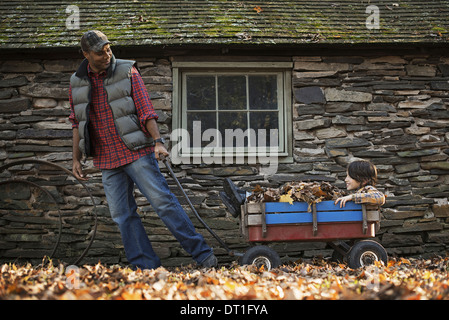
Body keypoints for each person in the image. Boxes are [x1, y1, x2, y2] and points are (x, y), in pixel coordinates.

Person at [68, 30, 217, 270]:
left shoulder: (128, 71)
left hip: (136, 151)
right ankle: (146, 268)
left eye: (108, 49)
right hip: (107, 159)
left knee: (163, 204)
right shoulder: (77, 82)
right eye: (99, 52)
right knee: (122, 215)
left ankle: (204, 256)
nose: (107, 54)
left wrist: (158, 141)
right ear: (86, 54)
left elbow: (146, 109)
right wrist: (76, 158)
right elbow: (76, 122)